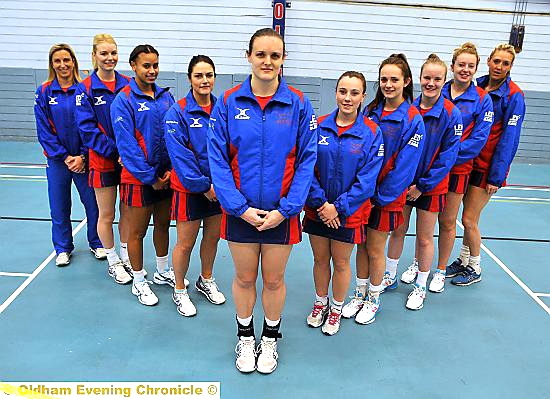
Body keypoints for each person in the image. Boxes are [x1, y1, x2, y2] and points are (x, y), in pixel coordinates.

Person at [208, 28, 317, 374]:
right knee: (243, 279)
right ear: (249, 56)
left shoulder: (299, 103)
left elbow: (307, 159)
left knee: (273, 280)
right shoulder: (227, 102)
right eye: (261, 54)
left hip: (280, 216)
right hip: (240, 213)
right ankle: (244, 337)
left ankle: (269, 339)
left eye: (275, 55)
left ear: (283, 58)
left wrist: (286, 210)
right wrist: (239, 207)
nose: (267, 61)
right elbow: (218, 160)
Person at [341, 54, 424, 324]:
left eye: (394, 79)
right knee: (361, 246)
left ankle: (373, 299)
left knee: (375, 249)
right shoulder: (370, 112)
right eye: (384, 79)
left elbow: (405, 168)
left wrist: (380, 197)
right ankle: (359, 293)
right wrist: (360, 191)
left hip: (385, 198)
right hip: (363, 193)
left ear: (406, 82)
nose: (388, 84)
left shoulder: (413, 119)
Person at [304, 71, 383, 336]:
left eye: (353, 93)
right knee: (319, 259)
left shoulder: (372, 133)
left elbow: (367, 179)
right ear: (335, 92)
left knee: (340, 262)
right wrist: (321, 204)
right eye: (342, 91)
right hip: (318, 209)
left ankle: (336, 308)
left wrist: (337, 207)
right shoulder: (319, 125)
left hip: (348, 213)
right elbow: (307, 168)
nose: (347, 98)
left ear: (363, 97)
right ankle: (320, 303)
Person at [386, 53, 462, 310]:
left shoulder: (452, 114)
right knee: (397, 230)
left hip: (431, 187)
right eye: (427, 78)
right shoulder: (408, 110)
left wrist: (423, 185)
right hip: (404, 185)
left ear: (444, 80)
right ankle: (390, 275)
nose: (431, 83)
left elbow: (448, 156)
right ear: (418, 79)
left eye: (437, 79)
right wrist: (404, 182)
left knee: (424, 238)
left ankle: (420, 285)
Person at [449, 43, 525, 286]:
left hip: (487, 168)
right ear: (489, 61)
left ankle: (476, 266)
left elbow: (510, 139)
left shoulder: (514, 96)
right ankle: (463, 260)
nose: (500, 67)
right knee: (462, 216)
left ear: (511, 67)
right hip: (467, 163)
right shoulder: (477, 85)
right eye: (497, 61)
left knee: (470, 219)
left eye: (506, 63)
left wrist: (497, 175)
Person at [110, 44, 175, 306]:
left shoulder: (165, 98)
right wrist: (150, 177)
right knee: (137, 232)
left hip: (166, 177)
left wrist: (170, 171)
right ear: (133, 66)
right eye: (146, 65)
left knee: (162, 225)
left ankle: (161, 271)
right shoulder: (123, 101)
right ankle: (138, 281)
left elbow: (174, 136)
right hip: (139, 178)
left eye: (155, 65)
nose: (152, 70)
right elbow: (127, 146)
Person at [164, 55, 226, 317]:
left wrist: (222, 184)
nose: (205, 80)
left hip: (219, 189)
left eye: (209, 75)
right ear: (190, 79)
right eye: (199, 75)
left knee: (212, 238)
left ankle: (205, 279)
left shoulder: (224, 108)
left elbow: (231, 149)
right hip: (190, 190)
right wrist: (204, 185)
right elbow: (180, 156)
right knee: (185, 243)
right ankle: (179, 289)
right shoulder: (177, 112)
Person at [34, 43, 104, 266]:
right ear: (52, 64)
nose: (63, 65)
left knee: (93, 204)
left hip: (84, 160)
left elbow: (91, 125)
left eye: (67, 60)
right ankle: (63, 248)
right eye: (57, 61)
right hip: (58, 162)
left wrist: (83, 156)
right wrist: (65, 158)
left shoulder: (84, 89)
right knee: (59, 205)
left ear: (73, 62)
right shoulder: (44, 92)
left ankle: (97, 242)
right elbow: (43, 130)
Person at [434, 43, 493, 291]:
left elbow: (478, 141)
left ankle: (448, 268)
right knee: (427, 222)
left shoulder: (482, 99)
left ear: (476, 68)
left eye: (471, 66)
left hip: (458, 170)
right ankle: (423, 265)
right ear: (453, 66)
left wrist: (446, 156)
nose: (465, 69)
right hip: (434, 169)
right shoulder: (438, 91)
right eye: (461, 64)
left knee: (449, 221)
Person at [75, 34, 133, 284]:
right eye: (104, 53)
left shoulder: (130, 84)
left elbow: (135, 122)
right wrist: (115, 151)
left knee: (129, 212)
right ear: (94, 56)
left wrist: (128, 152)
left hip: (128, 160)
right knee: (106, 213)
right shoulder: (85, 88)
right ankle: (112, 260)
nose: (110, 58)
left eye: (113, 53)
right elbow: (87, 129)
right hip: (103, 160)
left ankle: (126, 255)